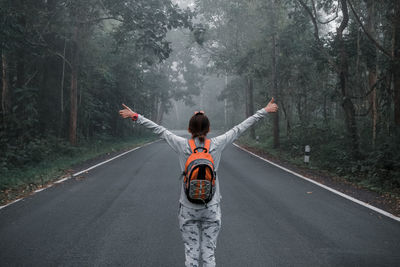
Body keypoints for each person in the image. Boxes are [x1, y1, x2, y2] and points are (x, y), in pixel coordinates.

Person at [119, 98, 278, 267]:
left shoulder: (182, 145)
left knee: (191, 251)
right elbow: (240, 128)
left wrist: (135, 116)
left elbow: (159, 130)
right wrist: (264, 111)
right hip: (211, 206)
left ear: (189, 129)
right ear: (208, 129)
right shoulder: (217, 144)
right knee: (209, 253)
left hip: (188, 208)